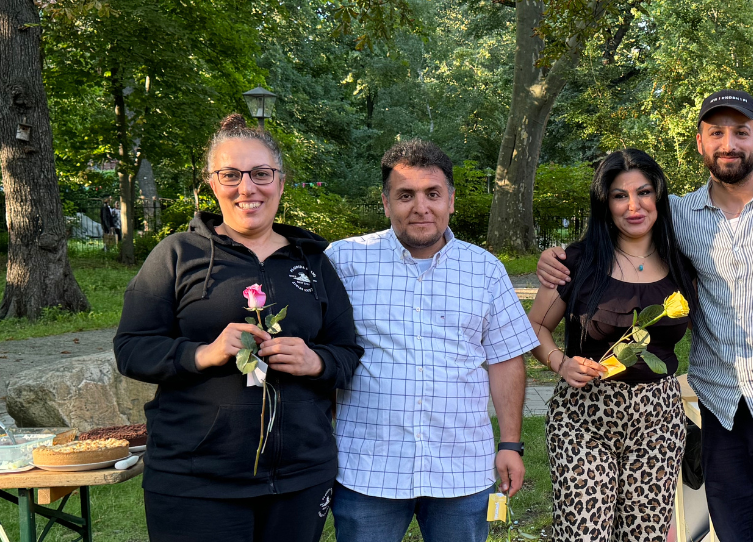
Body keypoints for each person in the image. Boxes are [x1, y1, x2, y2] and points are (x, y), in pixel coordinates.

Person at [537, 90, 753, 542]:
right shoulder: (679, 217)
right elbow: (623, 232)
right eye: (716, 133)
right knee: (736, 535)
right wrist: (555, 258)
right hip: (724, 411)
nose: (729, 143)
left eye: (740, 132)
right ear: (700, 143)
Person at [114, 114, 363, 542]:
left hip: (299, 478)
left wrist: (315, 361)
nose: (247, 188)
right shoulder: (177, 255)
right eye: (231, 175)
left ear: (280, 183)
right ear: (213, 184)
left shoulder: (314, 264)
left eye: (261, 174)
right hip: (196, 480)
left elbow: (347, 353)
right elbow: (131, 348)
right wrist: (200, 354)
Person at [327, 139, 539, 542]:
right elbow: (323, 352)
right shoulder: (344, 261)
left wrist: (511, 443)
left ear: (451, 201)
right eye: (405, 195)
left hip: (460, 467)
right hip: (368, 467)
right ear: (387, 203)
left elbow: (506, 360)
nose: (420, 207)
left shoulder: (485, 270)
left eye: (432, 194)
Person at [528, 149, 695, 541]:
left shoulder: (683, 263)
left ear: (659, 197)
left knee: (644, 534)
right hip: (584, 419)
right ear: (605, 203)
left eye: (644, 192)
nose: (633, 206)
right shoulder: (577, 262)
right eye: (620, 195)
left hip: (658, 421)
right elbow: (534, 325)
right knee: (583, 533)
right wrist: (560, 362)